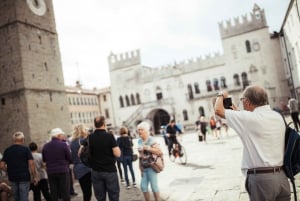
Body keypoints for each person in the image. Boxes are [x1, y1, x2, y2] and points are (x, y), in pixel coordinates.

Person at [214, 85, 290, 201]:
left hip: (262, 181)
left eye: (242, 100)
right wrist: (234, 109)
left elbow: (218, 110)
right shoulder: (277, 116)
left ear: (248, 101)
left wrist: (221, 94)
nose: (242, 102)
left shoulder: (248, 119)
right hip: (282, 178)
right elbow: (246, 119)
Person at [79, 116, 121, 201]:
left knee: (100, 197)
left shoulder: (90, 137)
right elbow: (117, 154)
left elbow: (79, 152)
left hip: (96, 172)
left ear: (95, 124)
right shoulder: (109, 136)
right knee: (114, 196)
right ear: (104, 124)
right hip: (110, 171)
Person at [0, 131, 38, 201]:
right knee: (24, 198)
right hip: (24, 177)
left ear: (13, 140)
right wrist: (35, 176)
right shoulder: (26, 149)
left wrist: (8, 171)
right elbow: (31, 164)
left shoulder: (7, 150)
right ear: (23, 139)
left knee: (16, 198)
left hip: (13, 177)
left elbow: (1, 165)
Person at [42, 128, 72, 201]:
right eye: (62, 135)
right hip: (63, 171)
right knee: (65, 192)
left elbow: (44, 159)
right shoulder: (63, 144)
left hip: (51, 172)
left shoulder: (45, 146)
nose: (63, 136)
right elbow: (69, 158)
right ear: (58, 135)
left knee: (54, 192)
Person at [137, 121, 163, 201]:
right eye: (138, 130)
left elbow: (159, 152)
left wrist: (148, 148)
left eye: (141, 129)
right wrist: (140, 168)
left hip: (152, 166)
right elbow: (140, 156)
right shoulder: (139, 141)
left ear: (146, 130)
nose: (139, 131)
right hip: (144, 167)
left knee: (154, 186)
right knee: (143, 186)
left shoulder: (151, 140)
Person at [70, 124, 92, 201]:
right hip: (86, 167)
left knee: (85, 191)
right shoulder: (83, 140)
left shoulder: (72, 142)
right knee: (88, 192)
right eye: (85, 129)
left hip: (77, 169)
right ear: (82, 130)